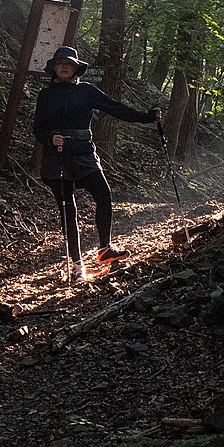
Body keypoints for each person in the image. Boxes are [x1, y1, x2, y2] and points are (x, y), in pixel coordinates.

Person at [29, 45, 159, 277]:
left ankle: (105, 248)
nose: (64, 67)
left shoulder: (87, 91)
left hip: (84, 154)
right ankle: (78, 264)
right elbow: (38, 128)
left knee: (104, 195)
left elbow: (116, 108)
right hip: (56, 157)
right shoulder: (46, 95)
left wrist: (146, 117)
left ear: (76, 68)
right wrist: (50, 138)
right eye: (60, 64)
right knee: (68, 208)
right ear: (54, 69)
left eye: (68, 64)